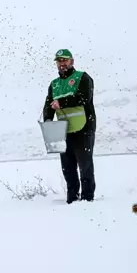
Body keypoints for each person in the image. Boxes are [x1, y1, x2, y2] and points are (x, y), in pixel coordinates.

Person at [42, 49, 97, 203]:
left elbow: (84, 97)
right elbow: (48, 104)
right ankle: (72, 198)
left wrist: (62, 102)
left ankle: (88, 199)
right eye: (59, 61)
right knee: (67, 167)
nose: (62, 63)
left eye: (65, 60)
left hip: (84, 128)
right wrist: (47, 121)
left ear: (71, 61)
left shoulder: (83, 77)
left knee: (85, 165)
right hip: (64, 131)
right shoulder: (55, 84)